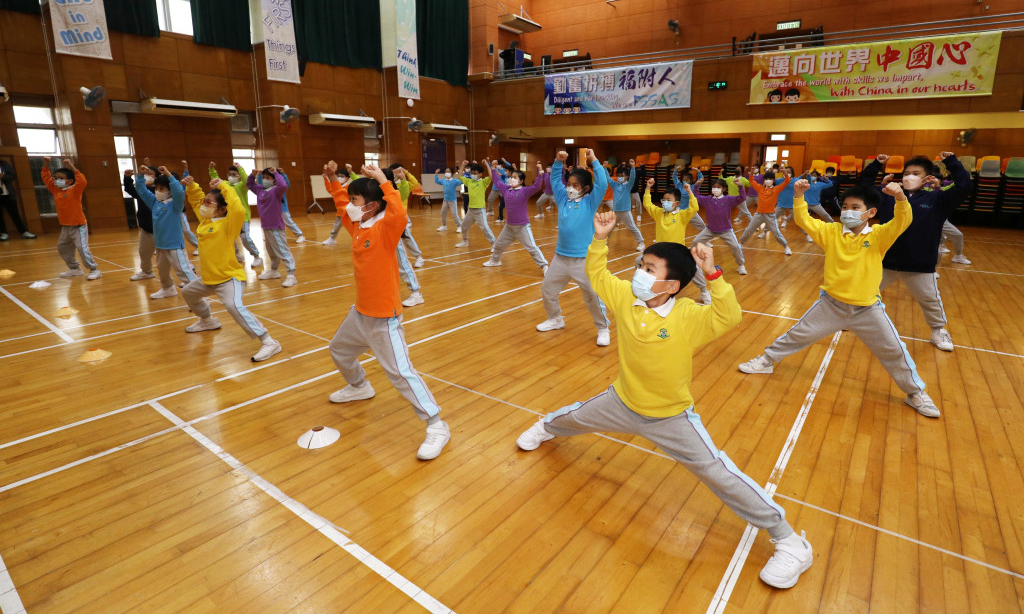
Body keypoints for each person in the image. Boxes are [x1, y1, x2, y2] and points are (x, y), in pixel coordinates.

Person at [517, 212, 814, 591]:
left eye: (649, 269)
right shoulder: (626, 297)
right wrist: (599, 240)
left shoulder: (689, 316)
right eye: (641, 265)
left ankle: (789, 540)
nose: (639, 273)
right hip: (622, 401)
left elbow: (730, 315)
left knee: (717, 473)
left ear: (672, 285)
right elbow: (598, 275)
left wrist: (712, 273)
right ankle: (546, 426)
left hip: (670, 417)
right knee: (573, 418)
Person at [738, 179, 939, 417]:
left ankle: (915, 392)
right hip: (830, 305)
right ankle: (767, 360)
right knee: (797, 334)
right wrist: (799, 196)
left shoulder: (878, 236)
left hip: (868, 309)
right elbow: (803, 220)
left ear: (870, 213)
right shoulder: (831, 231)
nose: (848, 212)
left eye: (855, 208)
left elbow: (902, 221)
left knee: (894, 350)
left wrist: (901, 199)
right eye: (845, 207)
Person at [326, 164, 450, 461]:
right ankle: (359, 386)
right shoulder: (358, 226)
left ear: (371, 206)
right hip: (359, 314)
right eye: (353, 200)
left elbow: (398, 212)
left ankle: (437, 424)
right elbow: (342, 203)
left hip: (384, 318)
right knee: (339, 351)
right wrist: (332, 180)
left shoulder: (385, 228)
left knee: (401, 374)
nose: (351, 206)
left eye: (357, 201)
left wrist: (384, 181)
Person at [861, 152, 972, 352]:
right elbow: (864, 186)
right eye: (906, 173)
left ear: (926, 178)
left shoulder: (938, 199)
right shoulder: (887, 196)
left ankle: (938, 330)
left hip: (920, 264)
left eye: (915, 173)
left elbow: (964, 185)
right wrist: (876, 164)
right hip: (885, 261)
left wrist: (952, 161)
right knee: (864, 291)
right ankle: (850, 318)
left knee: (930, 300)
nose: (909, 176)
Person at [180, 175, 282, 362]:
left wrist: (223, 185)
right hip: (209, 279)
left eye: (209, 203)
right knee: (188, 293)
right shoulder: (205, 222)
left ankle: (269, 341)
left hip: (229, 279)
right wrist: (193, 186)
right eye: (205, 201)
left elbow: (238, 207)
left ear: (221, 209)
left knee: (233, 305)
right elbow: (195, 200)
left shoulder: (228, 224)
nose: (204, 205)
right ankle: (207, 320)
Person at [536, 149, 611, 346]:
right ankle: (555, 319)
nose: (570, 188)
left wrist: (594, 160)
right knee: (548, 289)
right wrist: (558, 162)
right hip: (561, 258)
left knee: (592, 296)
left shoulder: (589, 202)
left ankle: (603, 328)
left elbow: (602, 183)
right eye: (569, 184)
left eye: (575, 186)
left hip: (584, 260)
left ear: (586, 188)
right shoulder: (562, 198)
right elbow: (554, 180)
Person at [641, 177, 710, 304]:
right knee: (642, 263)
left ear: (676, 203)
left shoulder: (682, 215)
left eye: (669, 200)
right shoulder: (658, 213)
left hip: (679, 252)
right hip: (661, 252)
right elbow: (647, 204)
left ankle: (704, 291)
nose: (665, 202)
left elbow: (694, 207)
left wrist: (690, 192)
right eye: (664, 200)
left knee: (693, 270)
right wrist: (648, 188)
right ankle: (647, 291)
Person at [135, 164, 197, 297]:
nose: (157, 191)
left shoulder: (176, 204)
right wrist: (140, 176)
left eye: (161, 188)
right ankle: (168, 288)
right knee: (162, 271)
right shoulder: (155, 202)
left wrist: (169, 175)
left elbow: (179, 191)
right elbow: (141, 190)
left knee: (183, 271)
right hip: (160, 246)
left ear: (169, 190)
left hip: (175, 246)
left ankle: (198, 295)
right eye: (156, 188)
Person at [481, 159, 548, 272]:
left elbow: (536, 186)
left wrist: (540, 172)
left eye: (515, 177)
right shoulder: (506, 189)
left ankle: (544, 266)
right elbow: (496, 181)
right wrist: (492, 168)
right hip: (509, 226)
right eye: (511, 176)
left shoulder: (525, 191)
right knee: (498, 245)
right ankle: (495, 261)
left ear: (521, 181)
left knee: (531, 248)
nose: (512, 179)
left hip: (522, 226)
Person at [43, 157, 100, 279]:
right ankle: (75, 269)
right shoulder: (56, 190)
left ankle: (94, 269)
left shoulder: (74, 190)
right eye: (56, 178)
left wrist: (71, 165)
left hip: (78, 226)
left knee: (82, 248)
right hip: (66, 226)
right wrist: (46, 163)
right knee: (62, 248)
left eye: (61, 178)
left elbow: (82, 180)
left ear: (69, 181)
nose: (57, 180)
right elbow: (46, 178)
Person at [247, 168, 298, 287]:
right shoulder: (260, 190)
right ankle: (274, 271)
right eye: (263, 177)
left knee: (282, 251)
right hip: (266, 226)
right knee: (271, 251)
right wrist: (253, 174)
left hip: (276, 227)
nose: (265, 180)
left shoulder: (276, 191)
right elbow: (249, 184)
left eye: (268, 178)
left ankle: (291, 275)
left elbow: (284, 185)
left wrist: (276, 173)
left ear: (274, 181)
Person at [686, 178, 748, 274]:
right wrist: (697, 185)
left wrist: (740, 186)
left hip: (726, 230)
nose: (715, 189)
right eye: (714, 187)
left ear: (723, 189)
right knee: (696, 241)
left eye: (718, 187)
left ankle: (741, 265)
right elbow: (696, 196)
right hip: (710, 229)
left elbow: (742, 198)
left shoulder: (728, 199)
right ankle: (692, 261)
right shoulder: (707, 199)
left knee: (735, 246)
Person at [209, 161, 263, 267]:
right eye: (229, 174)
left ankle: (257, 257)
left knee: (245, 237)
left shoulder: (242, 186)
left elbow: (246, 179)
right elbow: (216, 178)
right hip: (229, 216)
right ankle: (238, 254)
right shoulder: (226, 185)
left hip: (243, 216)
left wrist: (240, 168)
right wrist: (211, 169)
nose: (231, 177)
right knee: (228, 237)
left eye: (234, 175)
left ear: (239, 176)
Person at [738, 167, 791, 255]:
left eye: (770, 179)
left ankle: (786, 247)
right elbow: (752, 181)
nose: (768, 181)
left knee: (776, 232)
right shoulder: (760, 188)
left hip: (770, 215)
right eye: (766, 179)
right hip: (758, 214)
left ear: (773, 180)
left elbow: (786, 182)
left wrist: (785, 172)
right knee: (749, 230)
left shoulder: (776, 189)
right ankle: (741, 243)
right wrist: (751, 173)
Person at [387, 163, 425, 267]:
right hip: (387, 217)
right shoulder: (388, 185)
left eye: (397, 171)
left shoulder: (404, 185)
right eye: (393, 172)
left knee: (406, 238)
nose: (395, 174)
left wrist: (405, 172)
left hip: (400, 217)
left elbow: (415, 182)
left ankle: (418, 257)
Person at [455, 160, 496, 249]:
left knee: (484, 228)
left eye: (475, 173)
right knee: (464, 226)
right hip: (471, 210)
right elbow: (459, 176)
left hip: (479, 210)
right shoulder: (469, 181)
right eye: (472, 173)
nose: (473, 174)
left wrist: (487, 165)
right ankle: (465, 241)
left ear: (480, 174)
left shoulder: (483, 182)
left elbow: (491, 176)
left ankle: (494, 244)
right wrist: (462, 165)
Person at [123, 169, 155, 280]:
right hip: (146, 228)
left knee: (173, 255)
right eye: (146, 174)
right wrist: (127, 178)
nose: (147, 176)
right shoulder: (141, 191)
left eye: (150, 174)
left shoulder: (163, 191)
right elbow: (129, 188)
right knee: (144, 252)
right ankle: (147, 271)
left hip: (162, 229)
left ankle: (188, 273)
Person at [608, 160, 645, 252]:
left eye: (622, 176)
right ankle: (603, 241)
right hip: (615, 211)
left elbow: (633, 178)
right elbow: (607, 178)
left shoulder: (628, 185)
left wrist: (633, 167)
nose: (620, 177)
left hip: (625, 211)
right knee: (610, 227)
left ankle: (641, 243)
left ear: (627, 177)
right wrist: (604, 169)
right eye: (618, 176)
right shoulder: (615, 185)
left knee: (632, 227)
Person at [322, 161, 357, 245]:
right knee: (336, 226)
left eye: (342, 176)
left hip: (350, 211)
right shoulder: (337, 186)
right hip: (340, 211)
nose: (339, 177)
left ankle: (357, 239)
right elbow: (330, 190)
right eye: (338, 176)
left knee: (354, 226)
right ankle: (332, 238)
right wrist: (326, 179)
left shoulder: (349, 187)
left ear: (347, 178)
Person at [0, 160, 35, 241]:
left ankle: (24, 232)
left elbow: (12, 176)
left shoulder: (4, 164)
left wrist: (3, 176)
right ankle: (3, 233)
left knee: (15, 214)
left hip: (8, 194)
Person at [276, 169, 306, 243]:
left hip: (282, 209)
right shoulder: (270, 187)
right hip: (273, 209)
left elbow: (287, 184)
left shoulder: (282, 187)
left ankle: (300, 235)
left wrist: (283, 174)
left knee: (288, 222)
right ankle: (275, 237)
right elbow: (261, 185)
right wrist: (260, 175)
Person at [433, 166, 463, 232]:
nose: (447, 173)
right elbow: (437, 181)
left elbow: (461, 181)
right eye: (446, 172)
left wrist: (461, 172)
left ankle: (459, 226)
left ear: (452, 174)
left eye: (449, 172)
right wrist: (436, 174)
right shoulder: (443, 180)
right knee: (443, 213)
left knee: (454, 214)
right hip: (445, 200)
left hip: (452, 200)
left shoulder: (455, 181)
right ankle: (444, 226)